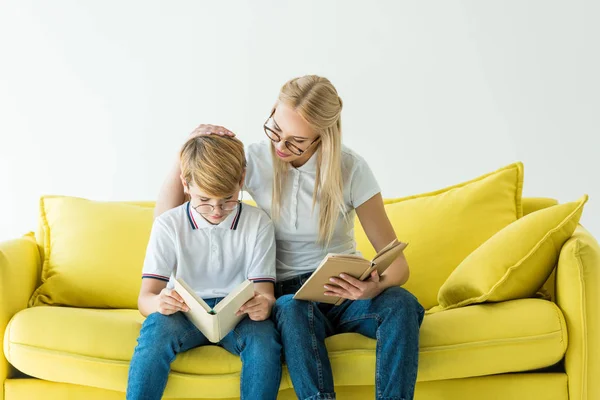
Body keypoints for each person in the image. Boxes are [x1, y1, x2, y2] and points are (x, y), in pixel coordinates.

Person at [156, 75, 424, 400]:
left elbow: (397, 264)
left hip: (341, 291)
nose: (280, 147)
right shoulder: (253, 160)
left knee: (402, 304)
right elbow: (168, 219)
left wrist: (375, 285)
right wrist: (184, 152)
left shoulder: (351, 170)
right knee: (291, 309)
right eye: (275, 131)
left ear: (323, 137)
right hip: (286, 296)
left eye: (296, 141)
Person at [127, 135, 282, 400]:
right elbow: (146, 298)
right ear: (185, 184)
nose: (216, 211)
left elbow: (265, 293)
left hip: (238, 315)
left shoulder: (258, 223)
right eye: (205, 200)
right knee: (156, 331)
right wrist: (159, 304)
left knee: (264, 341)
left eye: (228, 199)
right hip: (185, 312)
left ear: (241, 179)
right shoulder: (168, 225)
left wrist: (264, 305)